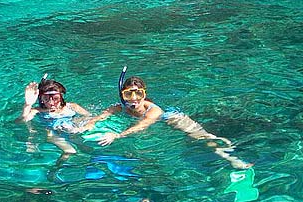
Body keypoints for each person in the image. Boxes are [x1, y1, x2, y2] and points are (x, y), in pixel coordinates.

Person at [80, 67, 253, 170]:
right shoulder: (119, 107)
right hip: (151, 124)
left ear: (144, 94)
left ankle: (234, 160)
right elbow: (99, 116)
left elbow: (142, 125)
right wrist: (87, 125)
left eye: (138, 93)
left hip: (170, 118)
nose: (133, 99)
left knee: (202, 138)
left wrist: (117, 136)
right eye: (128, 94)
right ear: (122, 95)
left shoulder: (154, 110)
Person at [17, 74, 91, 160]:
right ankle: (55, 170)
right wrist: (27, 105)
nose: (51, 103)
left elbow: (89, 116)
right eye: (46, 99)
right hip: (52, 134)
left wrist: (77, 123)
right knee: (70, 151)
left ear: (61, 97)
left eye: (55, 98)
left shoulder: (72, 106)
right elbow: (21, 121)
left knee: (87, 149)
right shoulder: (37, 110)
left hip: (71, 131)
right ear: (41, 99)